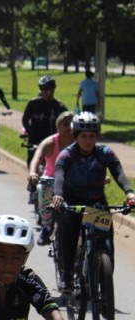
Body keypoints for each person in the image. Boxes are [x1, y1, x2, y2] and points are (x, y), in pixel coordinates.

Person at [51, 112, 135, 292]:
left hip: (96, 203)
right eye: (83, 136)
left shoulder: (105, 152)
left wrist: (129, 193)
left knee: (106, 242)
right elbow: (59, 175)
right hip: (73, 202)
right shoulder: (67, 154)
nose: (88, 140)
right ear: (75, 136)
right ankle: (66, 275)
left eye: (92, 136)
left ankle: (105, 287)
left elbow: (118, 172)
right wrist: (58, 195)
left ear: (97, 136)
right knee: (70, 231)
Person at [26, 111, 74, 246]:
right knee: (43, 188)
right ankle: (47, 227)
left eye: (72, 123)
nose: (69, 127)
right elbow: (36, 158)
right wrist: (33, 173)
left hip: (74, 180)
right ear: (58, 126)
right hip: (51, 179)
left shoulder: (80, 142)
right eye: (65, 124)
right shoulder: (50, 142)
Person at [21, 75, 68, 167]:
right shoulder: (33, 104)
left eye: (46, 89)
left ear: (53, 89)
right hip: (35, 141)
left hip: (53, 143)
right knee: (32, 165)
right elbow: (25, 119)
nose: (43, 91)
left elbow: (69, 122)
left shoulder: (59, 106)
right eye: (41, 89)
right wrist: (30, 133)